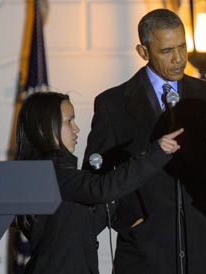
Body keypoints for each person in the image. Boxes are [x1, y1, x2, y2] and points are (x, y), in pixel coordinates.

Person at [82, 8, 206, 274]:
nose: (178, 59)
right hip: (144, 251)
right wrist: (130, 220)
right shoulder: (113, 104)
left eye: (182, 47)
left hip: (204, 247)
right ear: (143, 52)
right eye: (166, 51)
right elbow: (97, 177)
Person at [14, 91, 183, 274]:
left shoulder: (59, 173)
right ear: (44, 127)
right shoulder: (47, 171)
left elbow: (84, 226)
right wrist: (155, 153)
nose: (76, 129)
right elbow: (100, 189)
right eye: (68, 121)